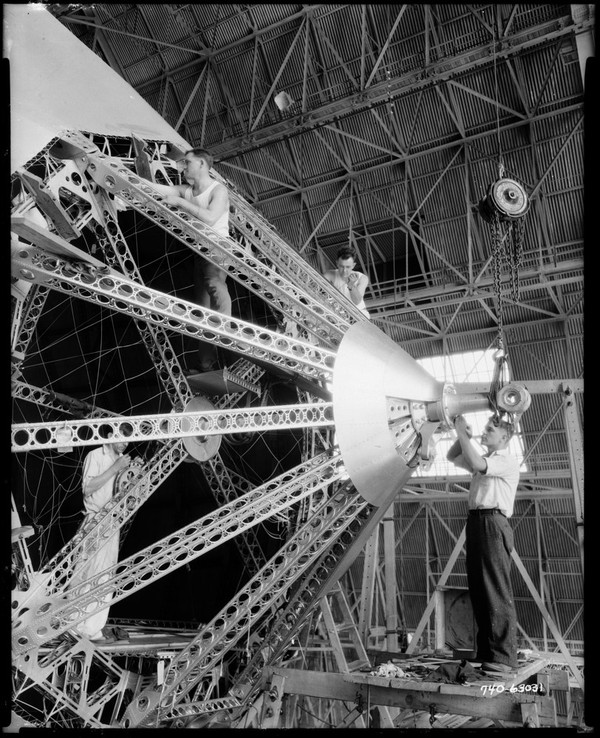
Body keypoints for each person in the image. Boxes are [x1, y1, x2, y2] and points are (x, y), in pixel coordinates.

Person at [446, 414, 519, 674]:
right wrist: (462, 436)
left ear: (505, 437)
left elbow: (477, 462)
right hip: (477, 522)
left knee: (495, 588)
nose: (485, 432)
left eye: (491, 429)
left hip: (493, 523)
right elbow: (452, 456)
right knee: (479, 588)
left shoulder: (504, 461)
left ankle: (504, 658)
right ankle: (488, 653)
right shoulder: (485, 461)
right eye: (485, 428)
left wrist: (461, 432)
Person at [150, 148, 231, 371]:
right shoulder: (186, 191)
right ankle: (206, 364)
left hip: (217, 247)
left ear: (202, 164)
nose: (183, 167)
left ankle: (226, 328)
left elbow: (210, 218)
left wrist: (180, 203)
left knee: (214, 282)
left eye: (187, 162)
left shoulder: (218, 190)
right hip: (199, 250)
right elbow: (158, 188)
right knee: (203, 310)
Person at [68, 433, 131, 642]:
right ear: (111, 435)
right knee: (85, 573)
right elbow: (87, 489)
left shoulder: (122, 461)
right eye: (122, 438)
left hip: (113, 523)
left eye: (129, 440)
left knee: (105, 577)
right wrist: (115, 468)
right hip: (95, 521)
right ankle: (74, 625)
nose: (125, 444)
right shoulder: (95, 456)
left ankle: (93, 629)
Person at [323, 246, 370, 318]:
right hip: (339, 315)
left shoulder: (362, 278)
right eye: (341, 266)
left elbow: (357, 301)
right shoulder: (330, 275)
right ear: (337, 263)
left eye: (348, 267)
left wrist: (351, 285)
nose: (344, 270)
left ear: (353, 265)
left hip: (359, 315)